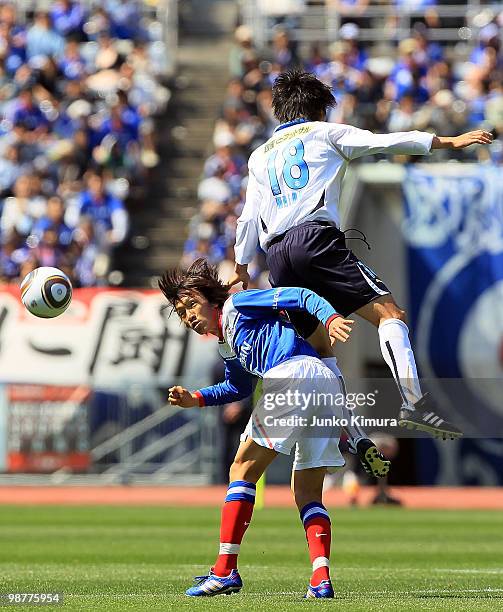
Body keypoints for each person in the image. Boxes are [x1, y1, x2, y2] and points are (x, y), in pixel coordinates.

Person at [229, 69, 494, 439]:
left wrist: (241, 265)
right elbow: (383, 142)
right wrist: (448, 142)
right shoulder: (325, 132)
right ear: (321, 109)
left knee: (317, 348)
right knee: (390, 313)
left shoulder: (259, 156)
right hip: (314, 240)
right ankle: (413, 402)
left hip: (276, 255)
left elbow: (247, 217)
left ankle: (347, 434)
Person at [161, 258, 390, 599]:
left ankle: (225, 571)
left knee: (241, 469)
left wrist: (329, 317)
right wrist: (196, 398)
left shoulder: (238, 304)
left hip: (292, 377)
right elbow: (236, 388)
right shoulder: (226, 342)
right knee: (308, 492)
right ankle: (321, 579)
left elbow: (297, 295)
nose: (189, 316)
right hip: (322, 382)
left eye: (191, 305)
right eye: (181, 313)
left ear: (212, 299)